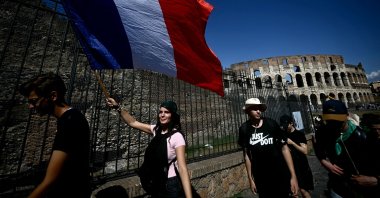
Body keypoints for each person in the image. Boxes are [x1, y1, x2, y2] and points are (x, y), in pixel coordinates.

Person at [19, 73, 90, 198]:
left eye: (34, 101)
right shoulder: (70, 117)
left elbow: (50, 180)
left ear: (53, 96)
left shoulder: (70, 122)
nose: (30, 106)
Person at [106, 97, 192, 198]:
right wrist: (118, 107)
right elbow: (133, 122)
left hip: (170, 183)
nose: (162, 115)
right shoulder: (156, 130)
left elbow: (182, 168)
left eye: (166, 112)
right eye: (160, 112)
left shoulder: (177, 137)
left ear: (172, 115)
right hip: (156, 182)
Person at [314, 100, 379, 198]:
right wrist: (323, 160)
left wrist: (376, 180)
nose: (334, 124)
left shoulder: (364, 136)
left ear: (347, 115)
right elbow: (317, 145)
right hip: (338, 187)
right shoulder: (323, 131)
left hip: (365, 188)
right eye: (330, 121)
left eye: (338, 121)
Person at [238, 98, 298, 198]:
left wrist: (293, 175)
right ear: (248, 111)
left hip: (279, 173)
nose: (258, 111)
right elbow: (247, 156)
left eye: (259, 108)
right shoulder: (244, 129)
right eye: (254, 108)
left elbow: (284, 148)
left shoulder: (271, 124)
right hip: (261, 177)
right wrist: (250, 179)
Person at [280, 115, 314, 198]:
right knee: (294, 192)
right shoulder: (283, 134)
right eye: (283, 126)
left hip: (302, 166)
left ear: (291, 123)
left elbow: (305, 151)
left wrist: (292, 143)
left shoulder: (299, 134)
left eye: (286, 125)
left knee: (303, 190)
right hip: (290, 167)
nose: (285, 127)